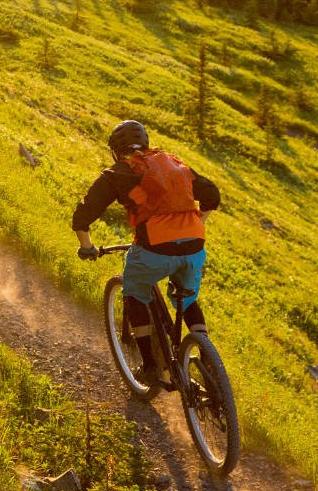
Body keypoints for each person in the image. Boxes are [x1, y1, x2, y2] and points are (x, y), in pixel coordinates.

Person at [72, 119, 221, 387]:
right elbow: (212, 194)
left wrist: (87, 246)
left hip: (154, 248)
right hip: (194, 244)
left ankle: (151, 367)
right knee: (186, 298)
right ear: (147, 142)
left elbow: (84, 214)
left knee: (134, 292)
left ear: (115, 150)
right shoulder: (173, 163)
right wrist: (197, 221)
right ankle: (209, 362)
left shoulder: (117, 173)